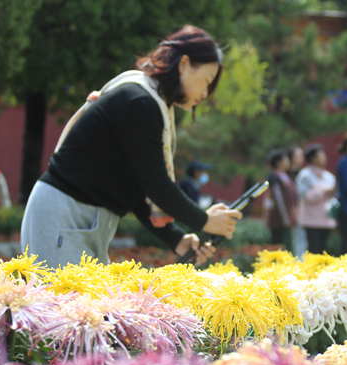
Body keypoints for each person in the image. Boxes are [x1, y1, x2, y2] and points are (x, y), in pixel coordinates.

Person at [21, 25, 241, 267]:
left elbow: (139, 190)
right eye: (207, 81)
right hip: (66, 215)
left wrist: (176, 239)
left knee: (81, 305)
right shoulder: (140, 102)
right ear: (184, 64)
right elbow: (156, 185)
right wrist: (205, 220)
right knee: (60, 304)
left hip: (80, 218)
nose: (206, 93)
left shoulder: (149, 101)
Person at [296, 144, 336, 254]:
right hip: (311, 220)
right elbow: (305, 196)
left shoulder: (329, 176)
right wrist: (323, 191)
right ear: (312, 159)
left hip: (326, 220)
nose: (324, 157)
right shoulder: (304, 175)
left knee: (324, 251)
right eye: (321, 155)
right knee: (312, 250)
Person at [265, 149, 297, 251]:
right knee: (279, 247)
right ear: (279, 163)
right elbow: (280, 201)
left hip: (285, 218)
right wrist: (287, 219)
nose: (288, 161)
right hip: (280, 219)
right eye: (286, 159)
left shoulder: (285, 176)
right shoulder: (276, 178)